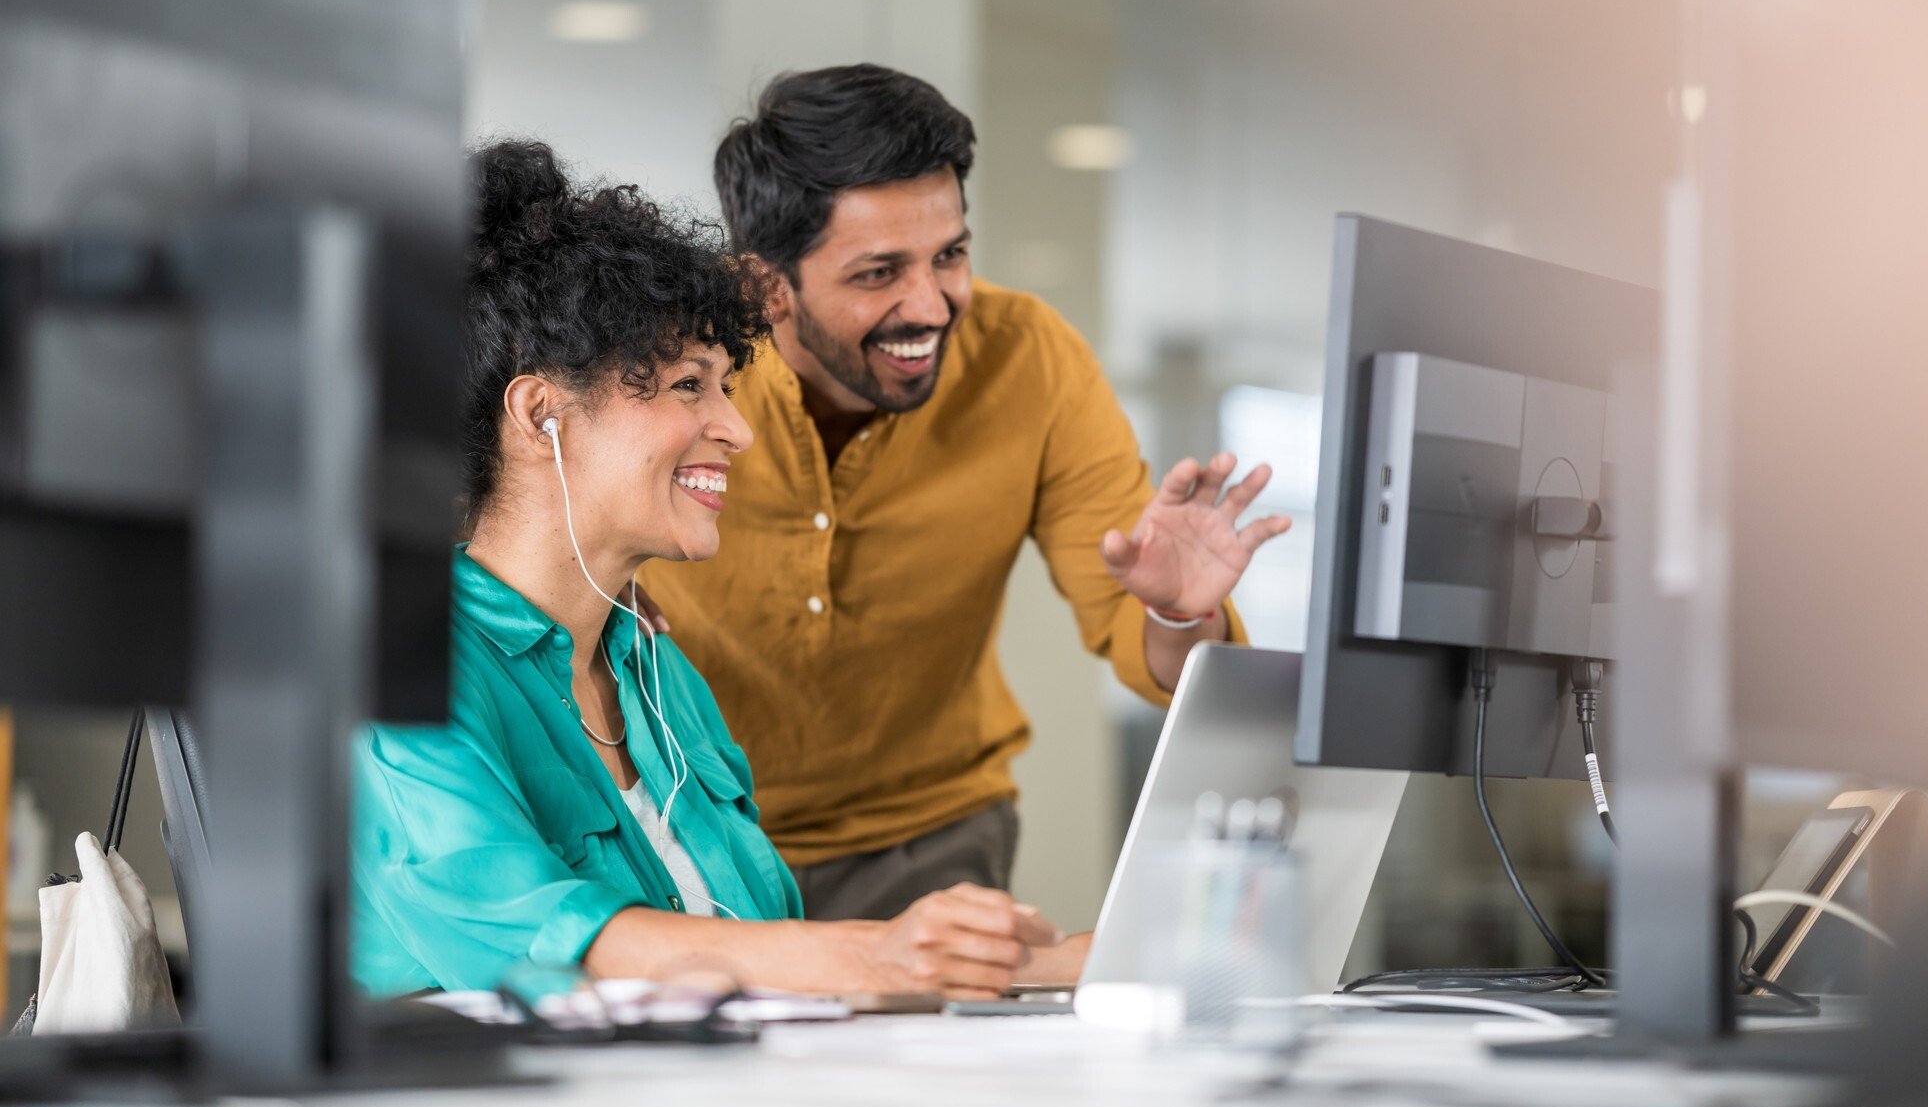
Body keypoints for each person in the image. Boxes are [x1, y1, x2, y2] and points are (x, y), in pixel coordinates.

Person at [350, 140, 1061, 997]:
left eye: (726, 386)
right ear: (540, 414)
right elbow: (540, 937)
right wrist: (877, 955)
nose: (735, 428)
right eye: (690, 386)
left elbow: (759, 944)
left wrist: (1059, 963)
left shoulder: (655, 672)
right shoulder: (403, 660)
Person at [639, 64, 1291, 922]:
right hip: (688, 837)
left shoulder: (1029, 360)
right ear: (767, 288)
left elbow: (1141, 642)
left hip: (928, 844)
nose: (932, 304)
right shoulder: (663, 373)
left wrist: (1175, 613)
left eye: (949, 256)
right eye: (879, 273)